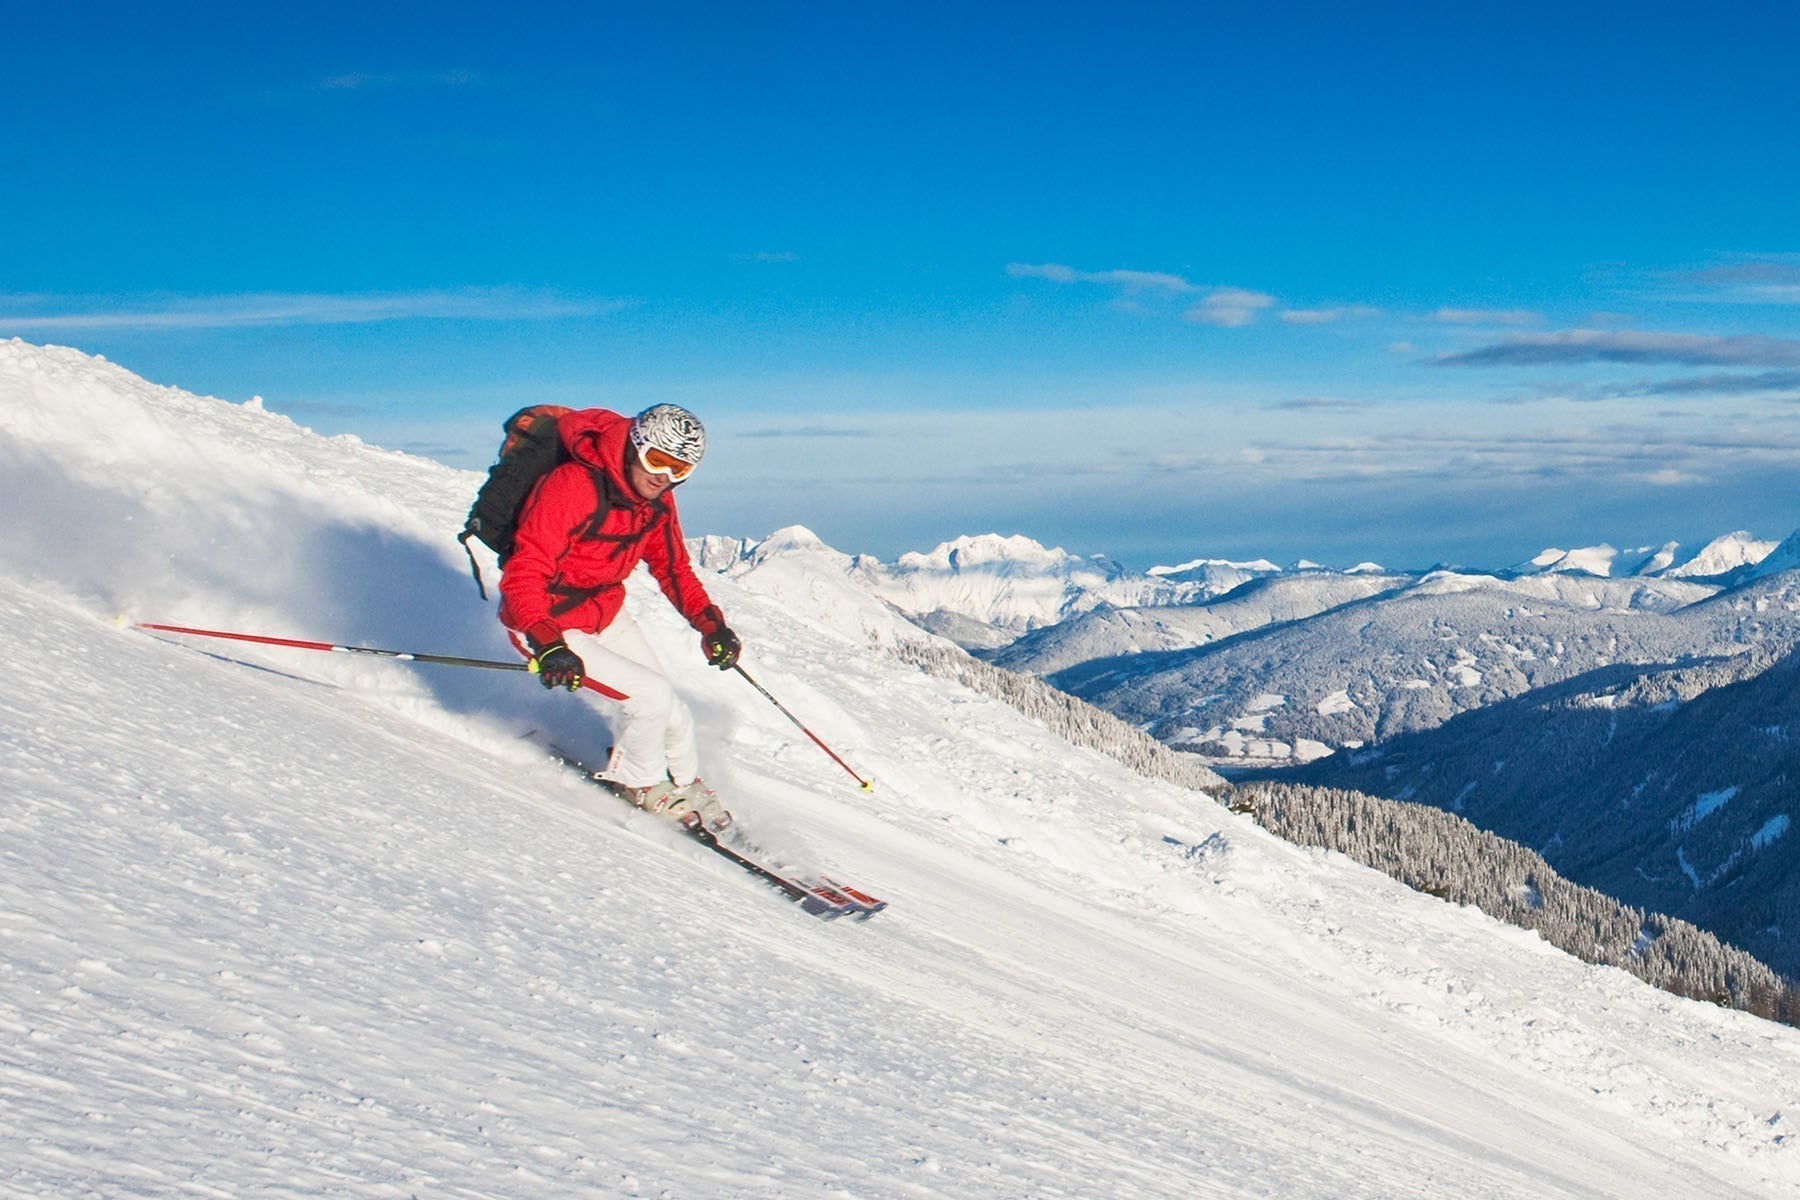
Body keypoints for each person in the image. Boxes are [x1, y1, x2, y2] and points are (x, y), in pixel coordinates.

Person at [499, 403, 741, 830]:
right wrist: (549, 642)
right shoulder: (572, 487)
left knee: (673, 709)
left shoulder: (657, 503)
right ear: (635, 447)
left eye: (680, 468)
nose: (664, 476)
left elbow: (673, 569)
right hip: (545, 621)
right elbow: (524, 572)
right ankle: (641, 785)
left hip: (601, 611)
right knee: (648, 698)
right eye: (657, 460)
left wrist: (712, 626)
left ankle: (684, 782)